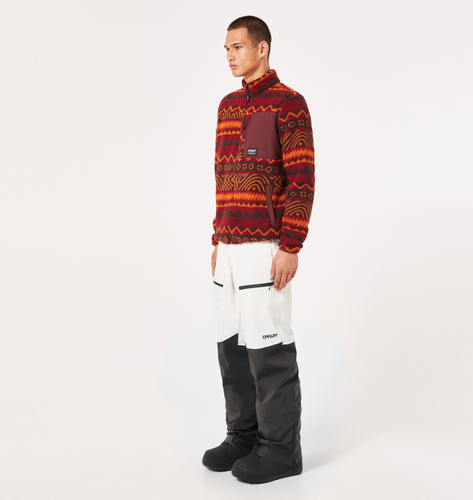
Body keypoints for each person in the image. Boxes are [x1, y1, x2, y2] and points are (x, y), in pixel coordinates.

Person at [202, 15, 315, 484]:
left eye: (238, 47)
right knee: (231, 348)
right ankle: (244, 436)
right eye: (226, 49)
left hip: (265, 247)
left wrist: (291, 245)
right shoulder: (228, 106)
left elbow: (302, 179)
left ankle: (282, 451)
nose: (230, 55)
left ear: (261, 48)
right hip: (228, 248)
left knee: (269, 350)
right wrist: (216, 237)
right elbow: (221, 177)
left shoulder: (289, 103)